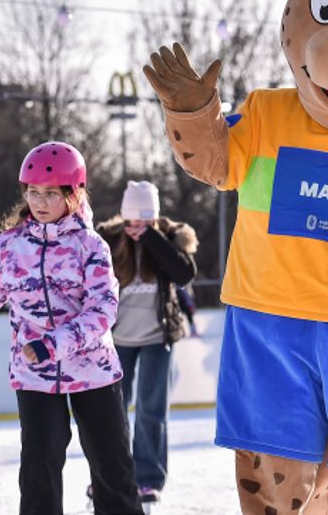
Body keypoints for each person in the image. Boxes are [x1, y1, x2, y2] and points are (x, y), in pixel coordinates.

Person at [0, 141, 143, 515]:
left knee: (111, 466)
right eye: (33, 191)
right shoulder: (10, 247)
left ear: (74, 194)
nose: (39, 201)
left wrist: (52, 344)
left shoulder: (90, 247)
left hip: (93, 372)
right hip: (35, 375)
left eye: (51, 194)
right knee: (38, 468)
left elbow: (102, 310)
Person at [98, 180, 198, 505]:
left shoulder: (170, 237)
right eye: (131, 223)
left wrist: (154, 240)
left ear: (154, 218)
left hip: (158, 338)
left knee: (152, 410)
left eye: (144, 222)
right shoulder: (108, 239)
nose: (136, 229)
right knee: (113, 412)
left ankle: (148, 479)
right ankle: (112, 476)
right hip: (118, 340)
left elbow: (184, 275)